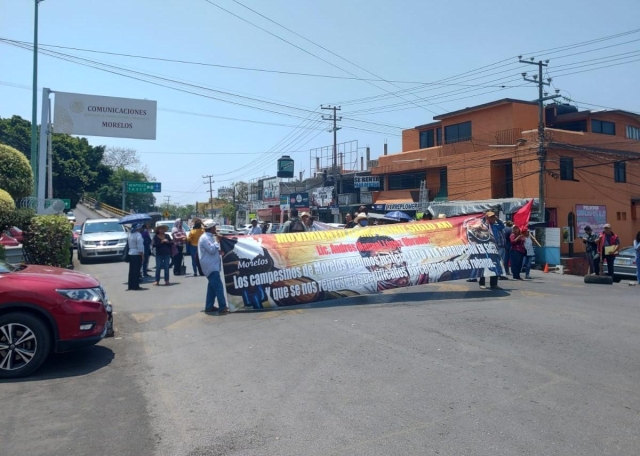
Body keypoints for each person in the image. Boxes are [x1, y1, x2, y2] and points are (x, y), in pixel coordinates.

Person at [198, 221, 229, 315]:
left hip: (212, 265)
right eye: (214, 227)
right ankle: (222, 307)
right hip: (210, 266)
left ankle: (209, 306)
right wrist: (217, 241)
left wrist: (218, 251)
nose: (215, 229)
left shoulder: (209, 237)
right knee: (218, 287)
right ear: (211, 228)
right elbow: (211, 249)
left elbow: (212, 250)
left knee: (212, 288)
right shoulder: (205, 238)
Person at [485, 212, 507, 280]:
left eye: (493, 217)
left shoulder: (495, 226)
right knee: (485, 264)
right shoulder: (484, 226)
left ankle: (494, 283)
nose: (493, 218)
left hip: (495, 247)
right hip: (486, 247)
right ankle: (482, 282)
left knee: (496, 264)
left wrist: (497, 220)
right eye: (491, 217)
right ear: (487, 218)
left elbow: (502, 226)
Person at [127, 223, 145, 291]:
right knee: (137, 271)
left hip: (131, 253)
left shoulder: (130, 234)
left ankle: (131, 285)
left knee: (131, 271)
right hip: (137, 254)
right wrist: (142, 256)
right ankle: (135, 286)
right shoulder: (138, 235)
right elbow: (140, 247)